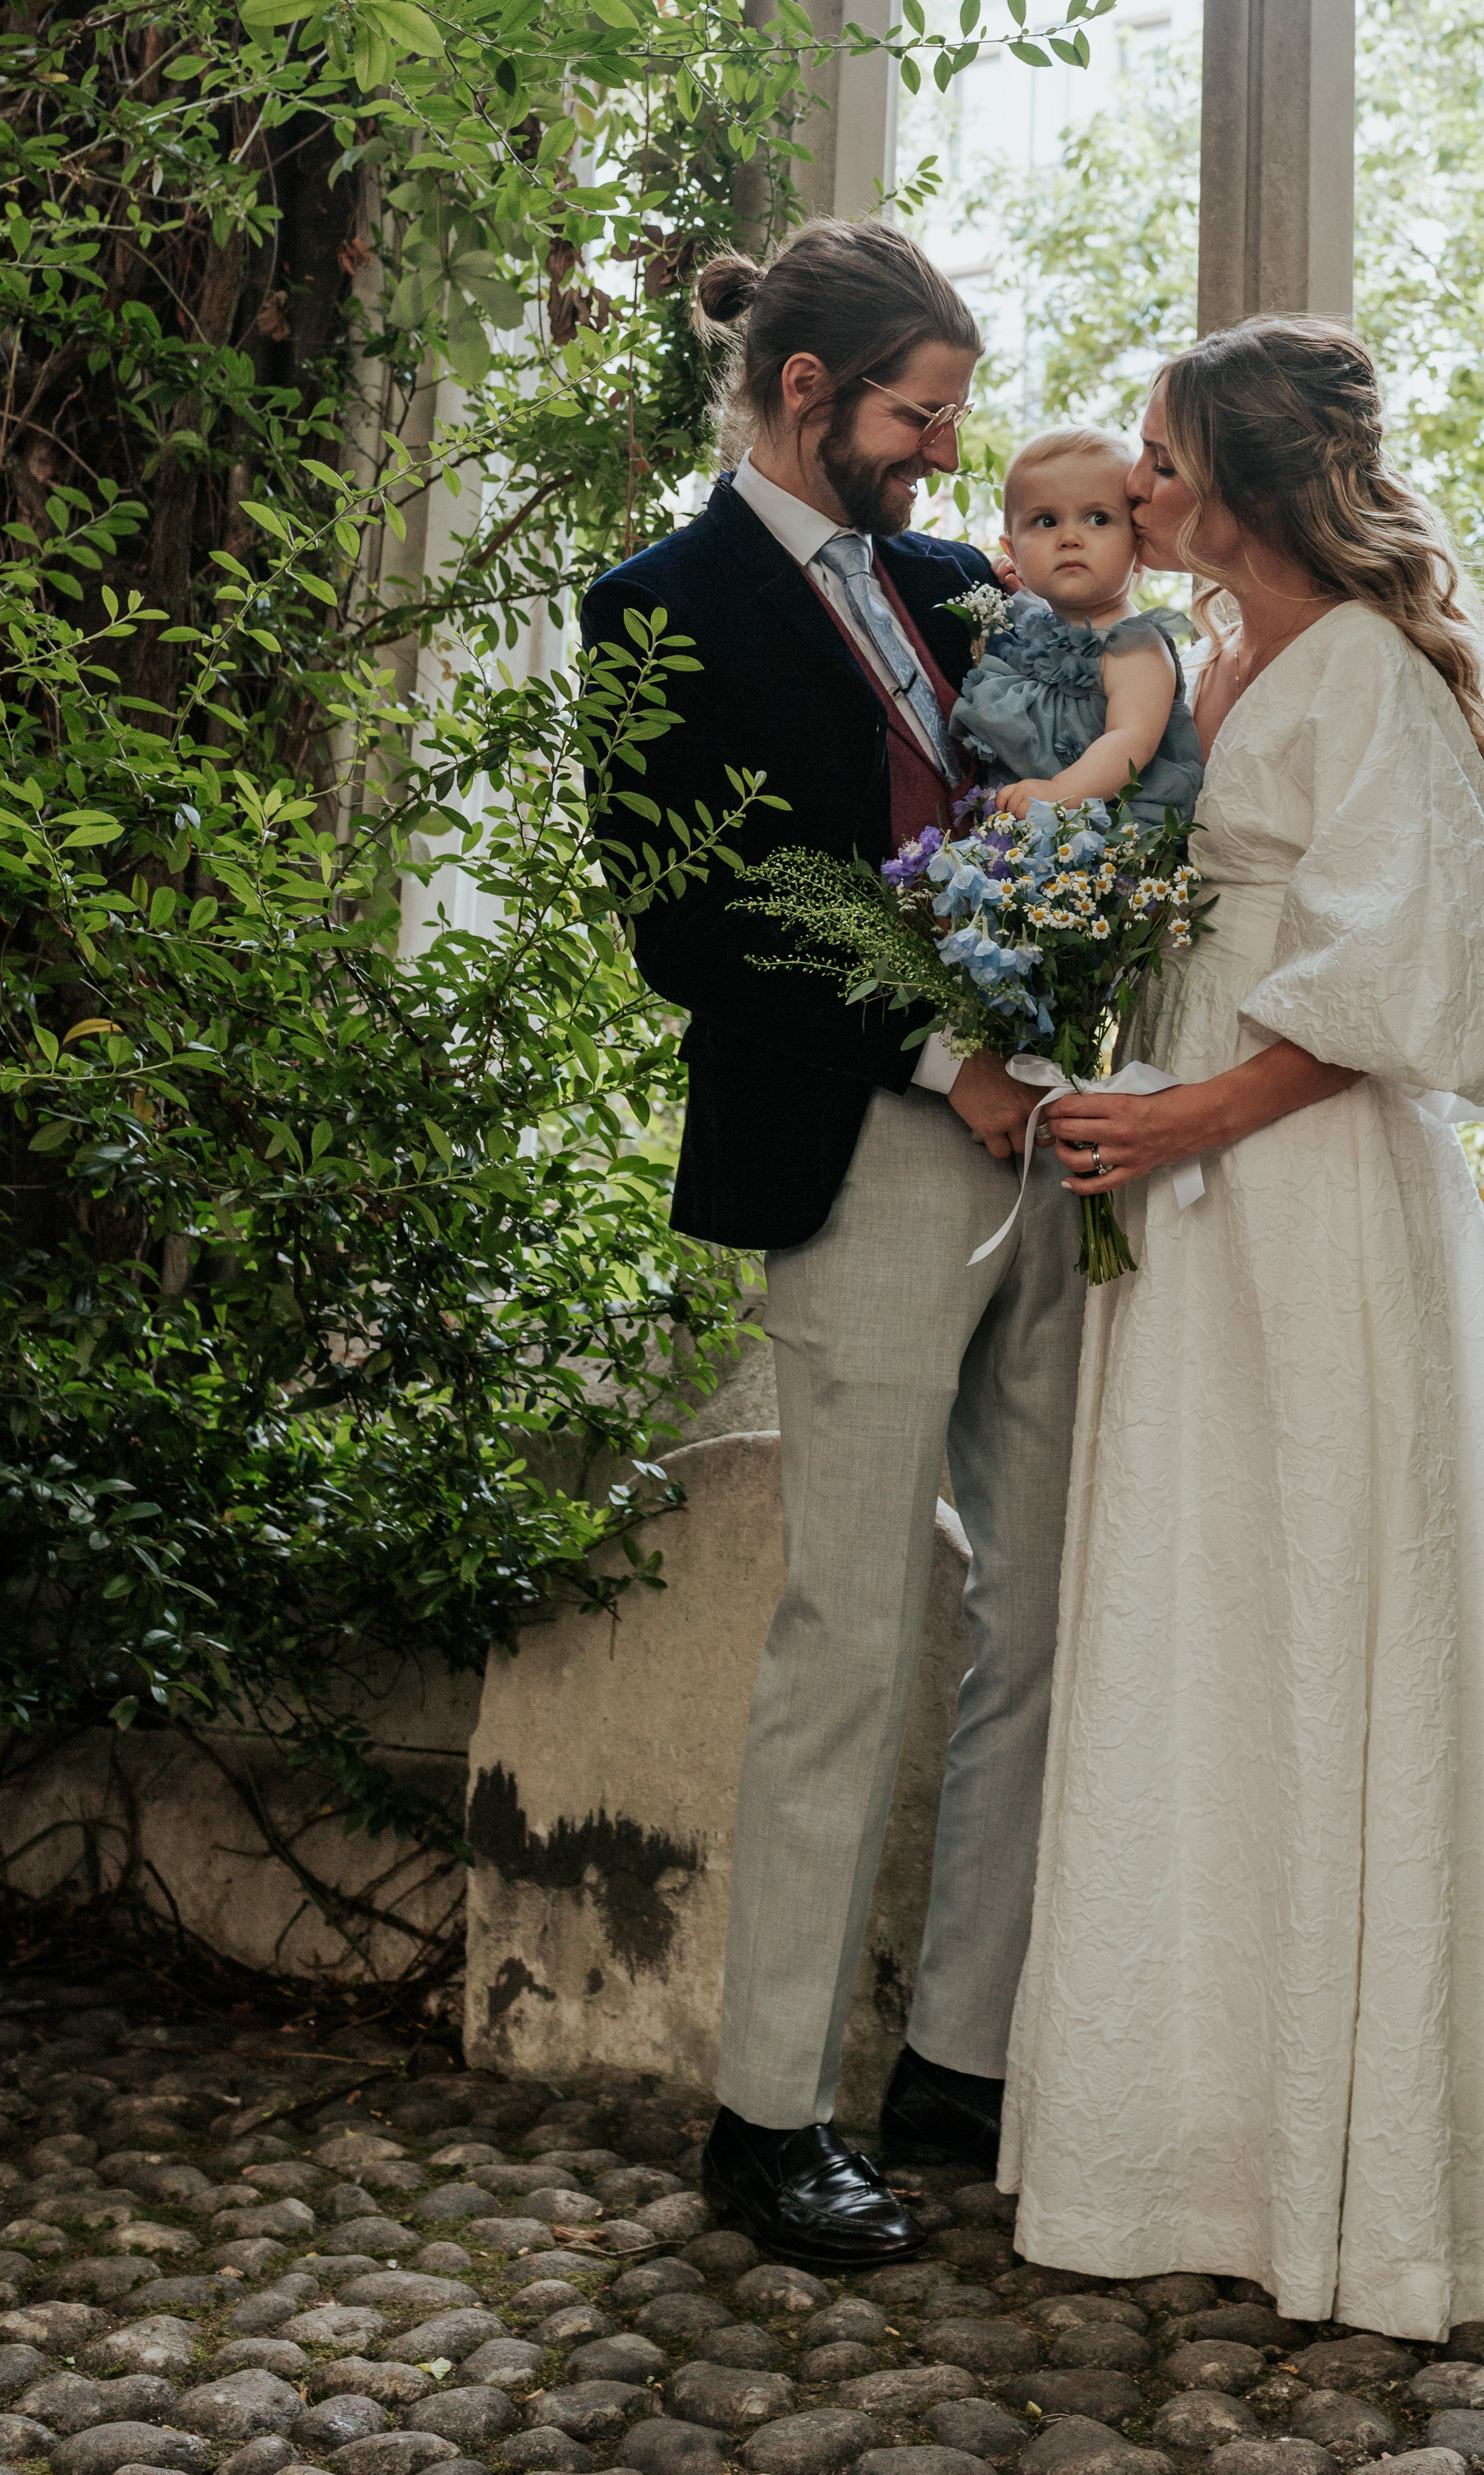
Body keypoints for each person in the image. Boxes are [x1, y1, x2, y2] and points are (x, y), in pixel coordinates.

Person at [1000, 313, 1484, 2338]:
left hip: (1309, 1206)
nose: (1135, 494)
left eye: (1159, 460)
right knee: (1214, 1621)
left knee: (1335, 1607)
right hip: (1190, 1201)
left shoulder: (1357, 672)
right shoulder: (1201, 670)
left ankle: (1404, 2179)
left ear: (1239, 475)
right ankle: (1209, 2144)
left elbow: (1399, 986)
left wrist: (1178, 1112)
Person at [580, 218, 1083, 2269]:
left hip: (1046, 1157)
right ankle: (767, 2117)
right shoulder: (650, 613)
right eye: (917, 416)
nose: (942, 459)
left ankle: (955, 2066)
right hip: (856, 1157)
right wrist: (933, 1049)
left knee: (1040, 1607)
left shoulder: (965, 592)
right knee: (848, 1638)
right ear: (807, 396)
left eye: (953, 421)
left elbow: (1091, 783)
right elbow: (685, 930)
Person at [949, 421, 1203, 828]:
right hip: (1027, 820)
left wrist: (1060, 794)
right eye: (1046, 522)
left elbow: (1131, 738)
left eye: (1098, 519)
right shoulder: (1037, 621)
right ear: (1013, 550)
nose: (1069, 537)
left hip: (1105, 821)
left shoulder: (1134, 645)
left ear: (1138, 544)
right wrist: (1023, 591)